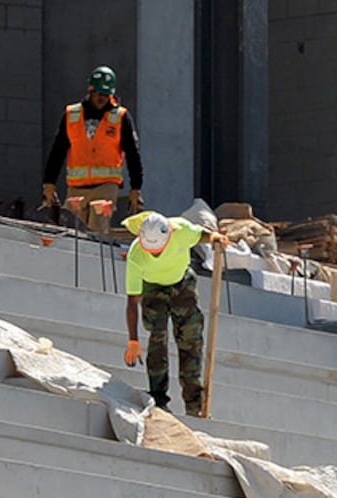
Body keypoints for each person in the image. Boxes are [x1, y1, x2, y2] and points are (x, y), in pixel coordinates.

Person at [122, 211, 228, 414]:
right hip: (153, 289)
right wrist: (133, 340)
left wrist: (213, 237)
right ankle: (159, 400)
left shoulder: (180, 230)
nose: (155, 255)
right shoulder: (136, 254)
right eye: (151, 252)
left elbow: (200, 234)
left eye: (158, 251)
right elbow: (132, 301)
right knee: (157, 338)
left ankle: (194, 404)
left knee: (191, 341)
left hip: (182, 284)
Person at [41, 66, 143, 232]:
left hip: (106, 187)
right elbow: (58, 151)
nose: (102, 98)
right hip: (76, 187)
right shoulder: (72, 115)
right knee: (71, 232)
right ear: (91, 90)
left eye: (106, 94)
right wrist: (49, 183)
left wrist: (136, 188)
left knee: (97, 232)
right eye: (98, 93)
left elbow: (133, 154)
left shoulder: (120, 117)